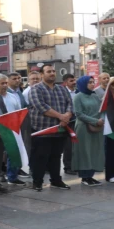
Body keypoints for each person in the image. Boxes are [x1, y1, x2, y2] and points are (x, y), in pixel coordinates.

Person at [27, 64, 73, 192]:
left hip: (59, 130)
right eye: (48, 71)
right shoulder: (36, 89)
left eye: (53, 71)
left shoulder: (62, 89)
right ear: (42, 74)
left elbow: (70, 103)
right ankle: (37, 182)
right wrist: (61, 117)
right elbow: (41, 107)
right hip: (42, 130)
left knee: (56, 156)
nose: (52, 73)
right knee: (40, 157)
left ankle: (56, 180)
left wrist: (67, 116)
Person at [72, 76, 104, 186]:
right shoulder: (78, 97)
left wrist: (101, 120)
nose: (92, 84)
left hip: (97, 127)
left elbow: (101, 110)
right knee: (84, 151)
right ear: (83, 84)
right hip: (83, 127)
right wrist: (95, 121)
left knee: (94, 150)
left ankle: (90, 175)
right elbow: (79, 114)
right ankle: (84, 177)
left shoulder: (95, 96)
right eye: (89, 82)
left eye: (93, 82)